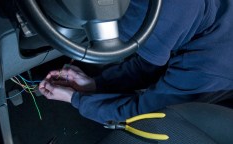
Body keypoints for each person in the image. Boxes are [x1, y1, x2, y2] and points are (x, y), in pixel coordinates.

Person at [39, 0, 233, 124]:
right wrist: (95, 84)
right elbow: (152, 61)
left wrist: (75, 99)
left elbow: (145, 115)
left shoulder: (204, 72)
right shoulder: (187, 19)